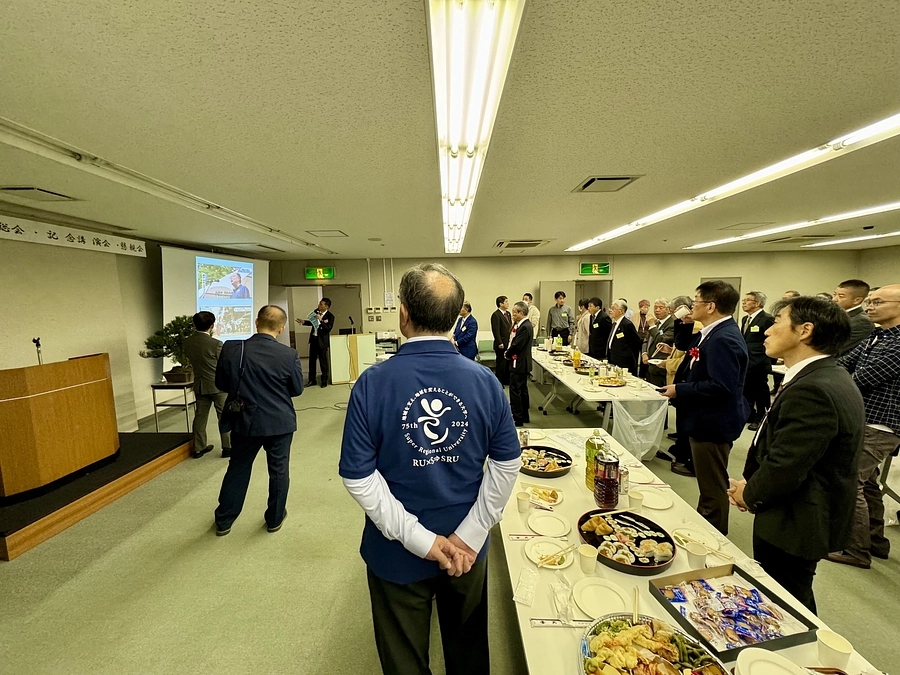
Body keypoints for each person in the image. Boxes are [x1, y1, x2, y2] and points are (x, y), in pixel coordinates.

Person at [338, 263, 521, 675]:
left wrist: (420, 540)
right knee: (468, 651)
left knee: (404, 660)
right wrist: (468, 537)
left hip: (396, 553)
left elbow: (358, 476)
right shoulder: (485, 381)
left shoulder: (372, 383)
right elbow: (507, 464)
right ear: (458, 317)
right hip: (467, 555)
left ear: (402, 314)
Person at [728, 296, 864, 614]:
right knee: (789, 594)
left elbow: (787, 465)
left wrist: (751, 494)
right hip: (797, 511)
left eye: (777, 321)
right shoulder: (824, 376)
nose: (768, 330)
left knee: (787, 603)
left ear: (804, 331)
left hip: (797, 519)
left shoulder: (814, 388)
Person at [660, 280, 749, 535]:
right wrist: (683, 324)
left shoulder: (724, 338)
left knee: (713, 487)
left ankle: (713, 538)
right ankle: (705, 526)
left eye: (695, 301)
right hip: (701, 418)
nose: (691, 306)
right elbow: (687, 353)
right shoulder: (707, 331)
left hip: (713, 422)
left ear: (710, 306)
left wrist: (680, 389)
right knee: (707, 484)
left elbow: (721, 386)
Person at [214, 305, 304, 536]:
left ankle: (225, 520)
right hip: (279, 422)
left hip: (245, 421)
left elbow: (222, 383)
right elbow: (296, 390)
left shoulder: (233, 348)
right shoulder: (289, 354)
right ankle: (274, 518)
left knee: (238, 468)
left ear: (256, 322)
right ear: (282, 328)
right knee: (279, 471)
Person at [828, 284, 900, 569]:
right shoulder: (876, 335)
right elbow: (844, 363)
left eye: (878, 302)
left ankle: (857, 550)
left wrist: (837, 380)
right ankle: (876, 541)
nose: (870, 306)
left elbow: (865, 377)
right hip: (864, 419)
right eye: (869, 301)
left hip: (881, 425)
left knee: (850, 482)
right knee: (869, 483)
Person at [182, 311, 232, 458]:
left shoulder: (187, 342)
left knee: (200, 417)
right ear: (212, 325)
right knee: (224, 416)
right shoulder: (216, 344)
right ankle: (227, 447)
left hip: (199, 384)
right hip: (218, 386)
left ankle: (198, 447)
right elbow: (224, 364)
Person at [740, 291, 775, 431]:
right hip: (747, 361)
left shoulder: (766, 319)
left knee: (760, 392)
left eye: (748, 300)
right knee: (747, 389)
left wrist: (770, 359)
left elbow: (771, 340)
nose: (744, 302)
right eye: (744, 300)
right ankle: (749, 414)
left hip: (759, 361)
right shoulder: (745, 319)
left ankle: (761, 417)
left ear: (757, 303)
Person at [506, 301, 534, 427]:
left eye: (514, 313)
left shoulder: (525, 327)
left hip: (520, 363)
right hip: (523, 363)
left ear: (521, 313)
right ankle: (524, 415)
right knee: (522, 390)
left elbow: (517, 345)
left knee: (516, 390)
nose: (513, 315)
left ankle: (518, 417)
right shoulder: (523, 325)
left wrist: (507, 353)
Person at [296, 298, 334, 388]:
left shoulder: (330, 316)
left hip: (322, 341)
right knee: (312, 361)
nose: (319, 305)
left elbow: (328, 328)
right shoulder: (316, 312)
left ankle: (324, 380)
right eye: (319, 304)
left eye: (321, 304)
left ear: (327, 306)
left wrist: (321, 320)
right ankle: (312, 380)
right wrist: (304, 322)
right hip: (313, 339)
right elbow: (313, 323)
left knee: (323, 362)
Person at [833, 279, 873, 355]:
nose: (834, 299)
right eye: (834, 294)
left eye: (841, 296)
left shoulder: (862, 322)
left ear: (857, 300)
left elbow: (835, 348)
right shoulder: (836, 314)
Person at [641, 297, 674, 384]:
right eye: (655, 308)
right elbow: (646, 339)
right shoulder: (656, 322)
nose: (657, 310)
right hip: (649, 365)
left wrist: (652, 325)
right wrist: (644, 353)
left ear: (668, 310)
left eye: (661, 307)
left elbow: (661, 339)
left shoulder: (672, 324)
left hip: (662, 367)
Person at [606, 299, 642, 375]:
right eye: (610, 308)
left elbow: (636, 343)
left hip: (624, 362)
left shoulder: (627, 324)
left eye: (613, 309)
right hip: (613, 359)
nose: (610, 310)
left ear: (621, 311)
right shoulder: (614, 323)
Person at [490, 296, 512, 386]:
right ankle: (499, 382)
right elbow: (496, 330)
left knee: (507, 363)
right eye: (506, 302)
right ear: (501, 304)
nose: (508, 303)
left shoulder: (508, 314)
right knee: (501, 364)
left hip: (508, 342)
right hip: (501, 343)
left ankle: (506, 380)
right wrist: (499, 342)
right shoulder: (496, 315)